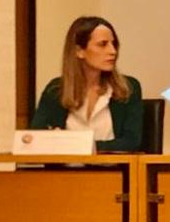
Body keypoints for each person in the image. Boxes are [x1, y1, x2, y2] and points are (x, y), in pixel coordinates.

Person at [31, 16, 143, 152]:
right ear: (79, 51)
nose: (113, 51)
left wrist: (79, 145)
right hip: (66, 166)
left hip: (111, 165)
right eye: (103, 44)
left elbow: (131, 142)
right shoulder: (56, 89)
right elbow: (37, 138)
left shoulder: (128, 87)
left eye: (114, 44)